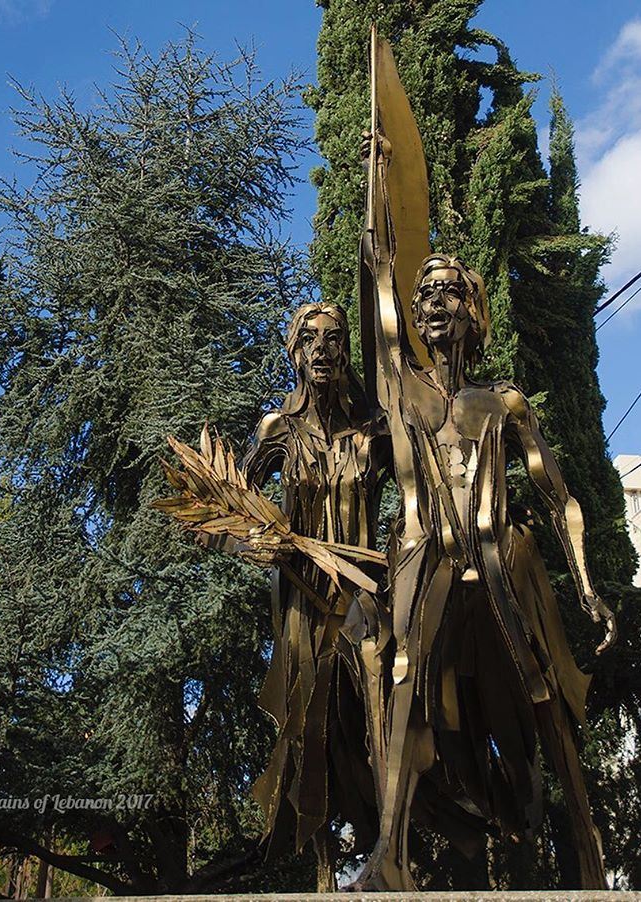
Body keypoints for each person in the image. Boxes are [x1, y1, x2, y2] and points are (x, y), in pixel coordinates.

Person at [356, 130, 617, 891]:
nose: (431, 302)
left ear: (473, 313)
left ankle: (587, 851)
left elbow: (561, 496)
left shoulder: (501, 402)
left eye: (447, 293)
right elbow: (377, 279)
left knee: (540, 698)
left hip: (501, 561)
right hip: (427, 560)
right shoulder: (402, 393)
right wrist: (378, 180)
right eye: (424, 293)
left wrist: (590, 587)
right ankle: (388, 855)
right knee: (402, 668)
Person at [236, 301, 391, 891]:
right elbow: (229, 513)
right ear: (294, 351)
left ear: (345, 350)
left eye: (333, 339)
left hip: (361, 599)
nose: (322, 348)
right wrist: (260, 543)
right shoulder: (277, 431)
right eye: (310, 338)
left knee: (376, 722)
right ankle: (324, 871)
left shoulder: (371, 434)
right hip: (303, 600)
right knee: (311, 731)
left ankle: (391, 849)